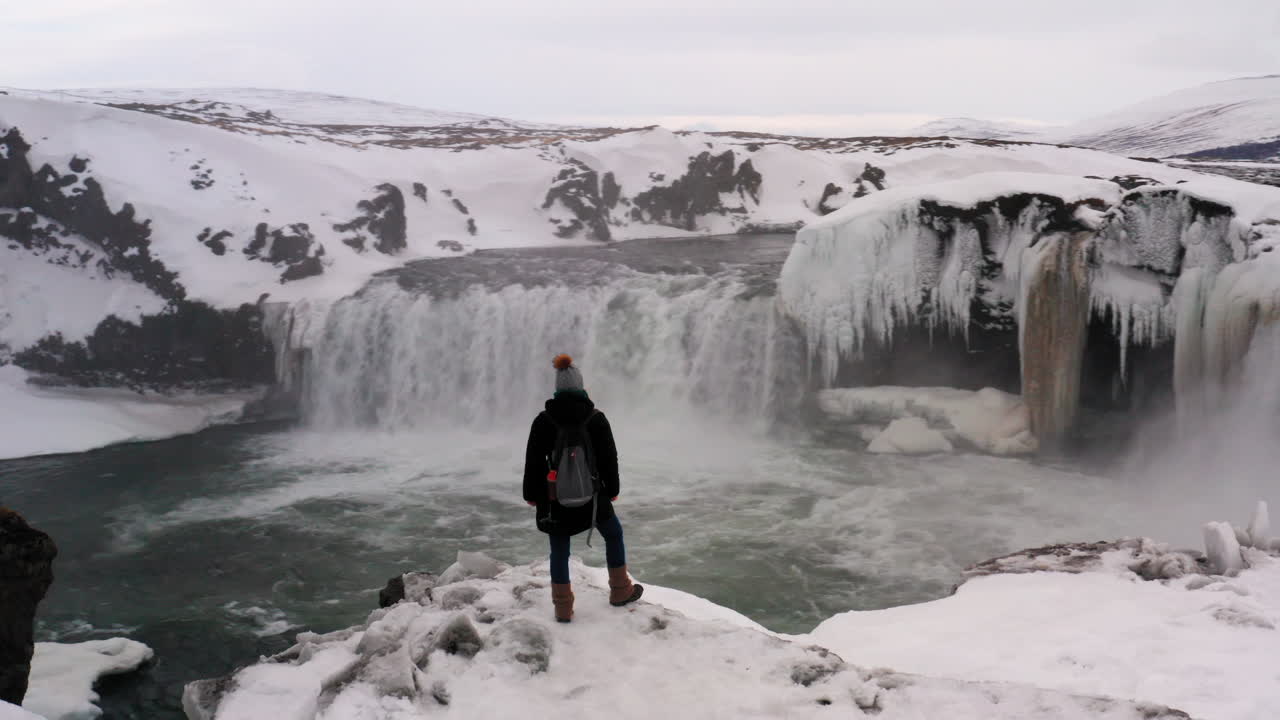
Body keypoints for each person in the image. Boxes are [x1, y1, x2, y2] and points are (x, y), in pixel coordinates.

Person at [523, 354, 643, 623]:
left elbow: (533, 462)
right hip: (594, 497)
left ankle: (563, 607)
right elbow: (608, 459)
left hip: (554, 498)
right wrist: (612, 489)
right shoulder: (596, 418)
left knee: (559, 550)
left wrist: (532, 495)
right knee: (613, 534)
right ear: (581, 387)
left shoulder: (543, 420)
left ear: (557, 389)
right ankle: (621, 589)